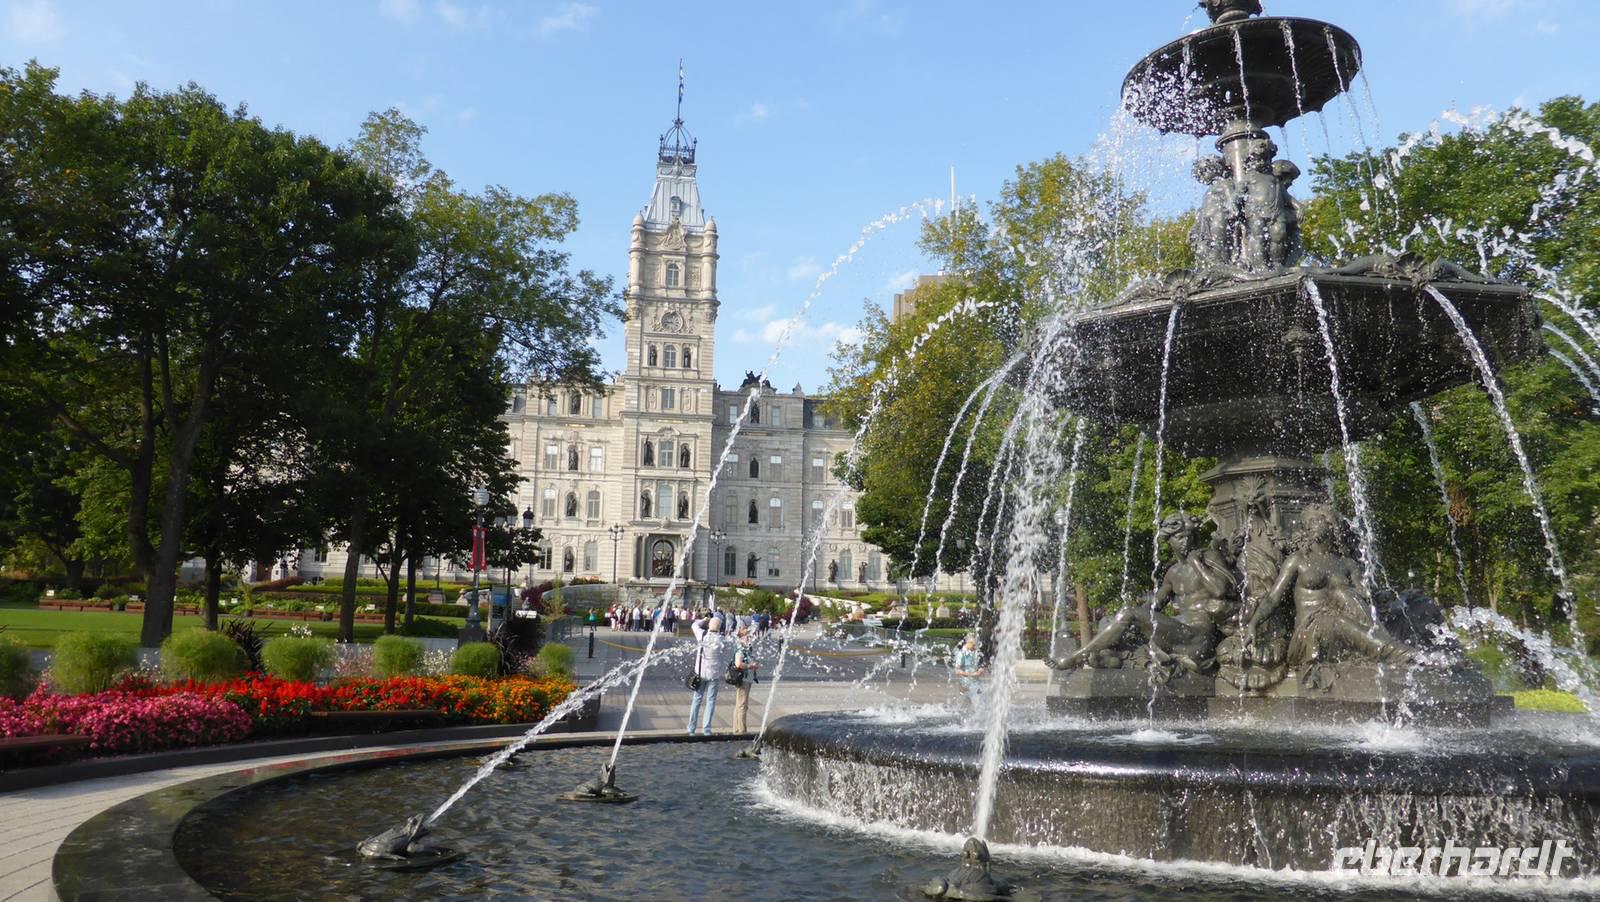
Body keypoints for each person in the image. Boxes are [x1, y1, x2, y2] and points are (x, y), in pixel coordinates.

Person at [687, 615, 730, 735]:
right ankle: (706, 729)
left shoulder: (702, 635)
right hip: (714, 676)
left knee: (697, 700)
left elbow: (694, 625)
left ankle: (691, 729)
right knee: (711, 702)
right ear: (720, 628)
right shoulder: (722, 640)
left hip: (701, 674)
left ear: (709, 625)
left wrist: (704, 620)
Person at [730, 625, 760, 733]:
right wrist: (751, 666)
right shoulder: (740, 648)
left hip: (747, 679)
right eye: (747, 635)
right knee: (742, 705)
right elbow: (738, 664)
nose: (750, 637)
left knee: (740, 705)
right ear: (742, 636)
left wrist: (754, 665)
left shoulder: (746, 648)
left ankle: (737, 729)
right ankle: (741, 731)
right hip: (743, 679)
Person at [953, 635, 985, 706]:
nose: (975, 646)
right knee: (966, 703)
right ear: (968, 643)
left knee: (979, 701)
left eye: (975, 644)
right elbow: (957, 671)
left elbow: (982, 667)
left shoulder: (978, 653)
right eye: (973, 644)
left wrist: (980, 670)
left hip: (976, 682)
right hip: (965, 682)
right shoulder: (962, 654)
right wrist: (972, 674)